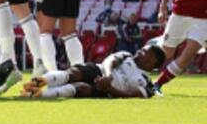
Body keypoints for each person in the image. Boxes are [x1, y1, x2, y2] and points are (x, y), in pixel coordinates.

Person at [21, 45, 165, 99]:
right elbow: (110, 61)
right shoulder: (127, 55)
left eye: (145, 52)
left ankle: (38, 94)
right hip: (100, 70)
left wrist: (110, 88)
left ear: (152, 61)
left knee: (80, 89)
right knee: (74, 73)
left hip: (108, 91)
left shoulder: (148, 85)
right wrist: (107, 76)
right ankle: (38, 82)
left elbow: (132, 95)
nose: (140, 51)